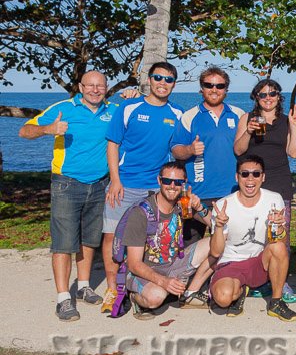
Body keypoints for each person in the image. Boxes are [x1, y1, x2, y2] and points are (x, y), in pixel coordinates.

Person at [19, 70, 115, 321]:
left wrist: (133, 94)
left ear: (106, 88)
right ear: (81, 87)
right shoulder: (63, 108)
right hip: (66, 183)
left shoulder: (113, 110)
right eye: (90, 85)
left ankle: (83, 286)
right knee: (63, 243)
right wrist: (48, 129)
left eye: (100, 86)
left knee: (89, 239)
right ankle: (63, 298)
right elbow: (24, 131)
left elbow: (133, 116)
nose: (95, 90)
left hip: (100, 184)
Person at [102, 61, 185, 312]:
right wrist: (115, 180)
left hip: (157, 187)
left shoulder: (177, 113)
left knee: (151, 239)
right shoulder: (129, 107)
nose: (162, 83)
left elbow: (178, 151)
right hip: (125, 184)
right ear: (149, 80)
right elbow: (113, 144)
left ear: (174, 84)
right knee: (112, 236)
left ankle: (139, 283)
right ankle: (112, 288)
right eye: (158, 77)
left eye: (168, 79)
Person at [208, 155, 296, 322]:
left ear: (263, 177)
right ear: (237, 177)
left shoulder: (274, 199)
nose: (250, 179)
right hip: (231, 262)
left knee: (278, 246)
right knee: (223, 299)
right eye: (245, 174)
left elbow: (281, 243)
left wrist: (280, 228)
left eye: (256, 174)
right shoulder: (223, 205)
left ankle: (276, 302)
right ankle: (241, 290)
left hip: (259, 261)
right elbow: (215, 252)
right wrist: (219, 226)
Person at [121, 162, 214, 319]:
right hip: (143, 271)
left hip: (172, 264)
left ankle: (190, 293)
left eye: (178, 182)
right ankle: (135, 297)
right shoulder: (141, 212)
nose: (172, 186)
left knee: (218, 242)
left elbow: (214, 224)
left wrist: (199, 207)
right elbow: (134, 264)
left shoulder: (182, 205)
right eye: (167, 181)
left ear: (184, 183)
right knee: (156, 297)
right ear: (159, 181)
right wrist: (163, 282)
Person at [171, 66, 246, 245]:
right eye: (209, 85)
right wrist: (189, 149)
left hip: (231, 192)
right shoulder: (190, 116)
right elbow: (175, 149)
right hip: (197, 194)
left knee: (228, 245)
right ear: (201, 88)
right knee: (190, 247)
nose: (214, 89)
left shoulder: (239, 115)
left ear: (226, 89)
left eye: (220, 86)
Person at [235, 78, 296, 207]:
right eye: (263, 95)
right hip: (253, 179)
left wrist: (294, 127)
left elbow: (293, 153)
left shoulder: (286, 120)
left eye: (272, 94)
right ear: (257, 97)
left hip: (279, 179)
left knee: (280, 219)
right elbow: (238, 151)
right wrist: (248, 132)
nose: (268, 98)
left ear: (278, 97)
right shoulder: (247, 118)